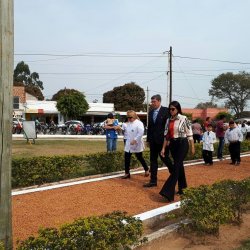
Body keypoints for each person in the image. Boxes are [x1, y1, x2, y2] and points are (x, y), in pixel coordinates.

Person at [159, 101, 195, 202]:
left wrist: (192, 147)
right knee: (179, 166)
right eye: (169, 109)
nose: (171, 111)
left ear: (178, 109)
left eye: (173, 109)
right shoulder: (168, 120)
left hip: (183, 144)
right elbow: (166, 136)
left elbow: (190, 134)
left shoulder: (184, 118)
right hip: (173, 145)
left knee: (176, 166)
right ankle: (183, 189)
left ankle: (167, 192)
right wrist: (163, 148)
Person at [143, 94, 172, 188]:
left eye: (154, 101)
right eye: (152, 101)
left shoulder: (166, 111)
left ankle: (174, 173)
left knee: (165, 159)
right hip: (153, 141)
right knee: (153, 161)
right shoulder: (150, 112)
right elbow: (150, 128)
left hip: (162, 141)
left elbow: (168, 128)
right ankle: (153, 181)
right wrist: (148, 140)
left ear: (159, 101)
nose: (152, 103)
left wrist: (168, 140)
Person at [121, 110, 149, 179]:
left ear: (134, 117)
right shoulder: (129, 124)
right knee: (127, 157)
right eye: (128, 117)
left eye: (130, 117)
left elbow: (141, 132)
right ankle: (127, 173)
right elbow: (127, 133)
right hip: (129, 143)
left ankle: (146, 169)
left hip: (137, 142)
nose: (129, 119)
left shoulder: (139, 123)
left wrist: (135, 139)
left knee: (139, 157)